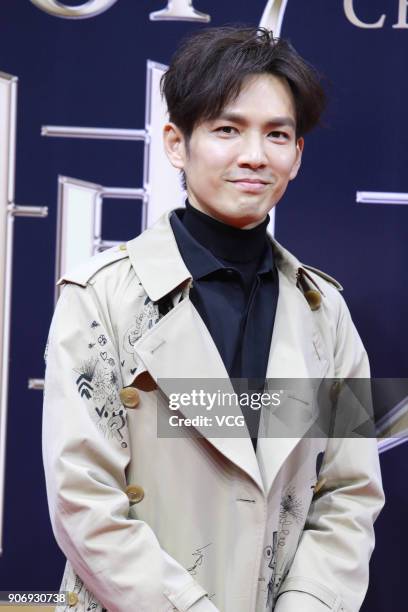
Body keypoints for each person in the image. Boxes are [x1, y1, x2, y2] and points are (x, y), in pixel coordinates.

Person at [42, 26, 384, 612]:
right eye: (227, 129)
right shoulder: (100, 298)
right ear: (177, 143)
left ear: (297, 156)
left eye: (277, 134)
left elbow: (350, 489)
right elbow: (84, 497)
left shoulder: (325, 312)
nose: (254, 155)